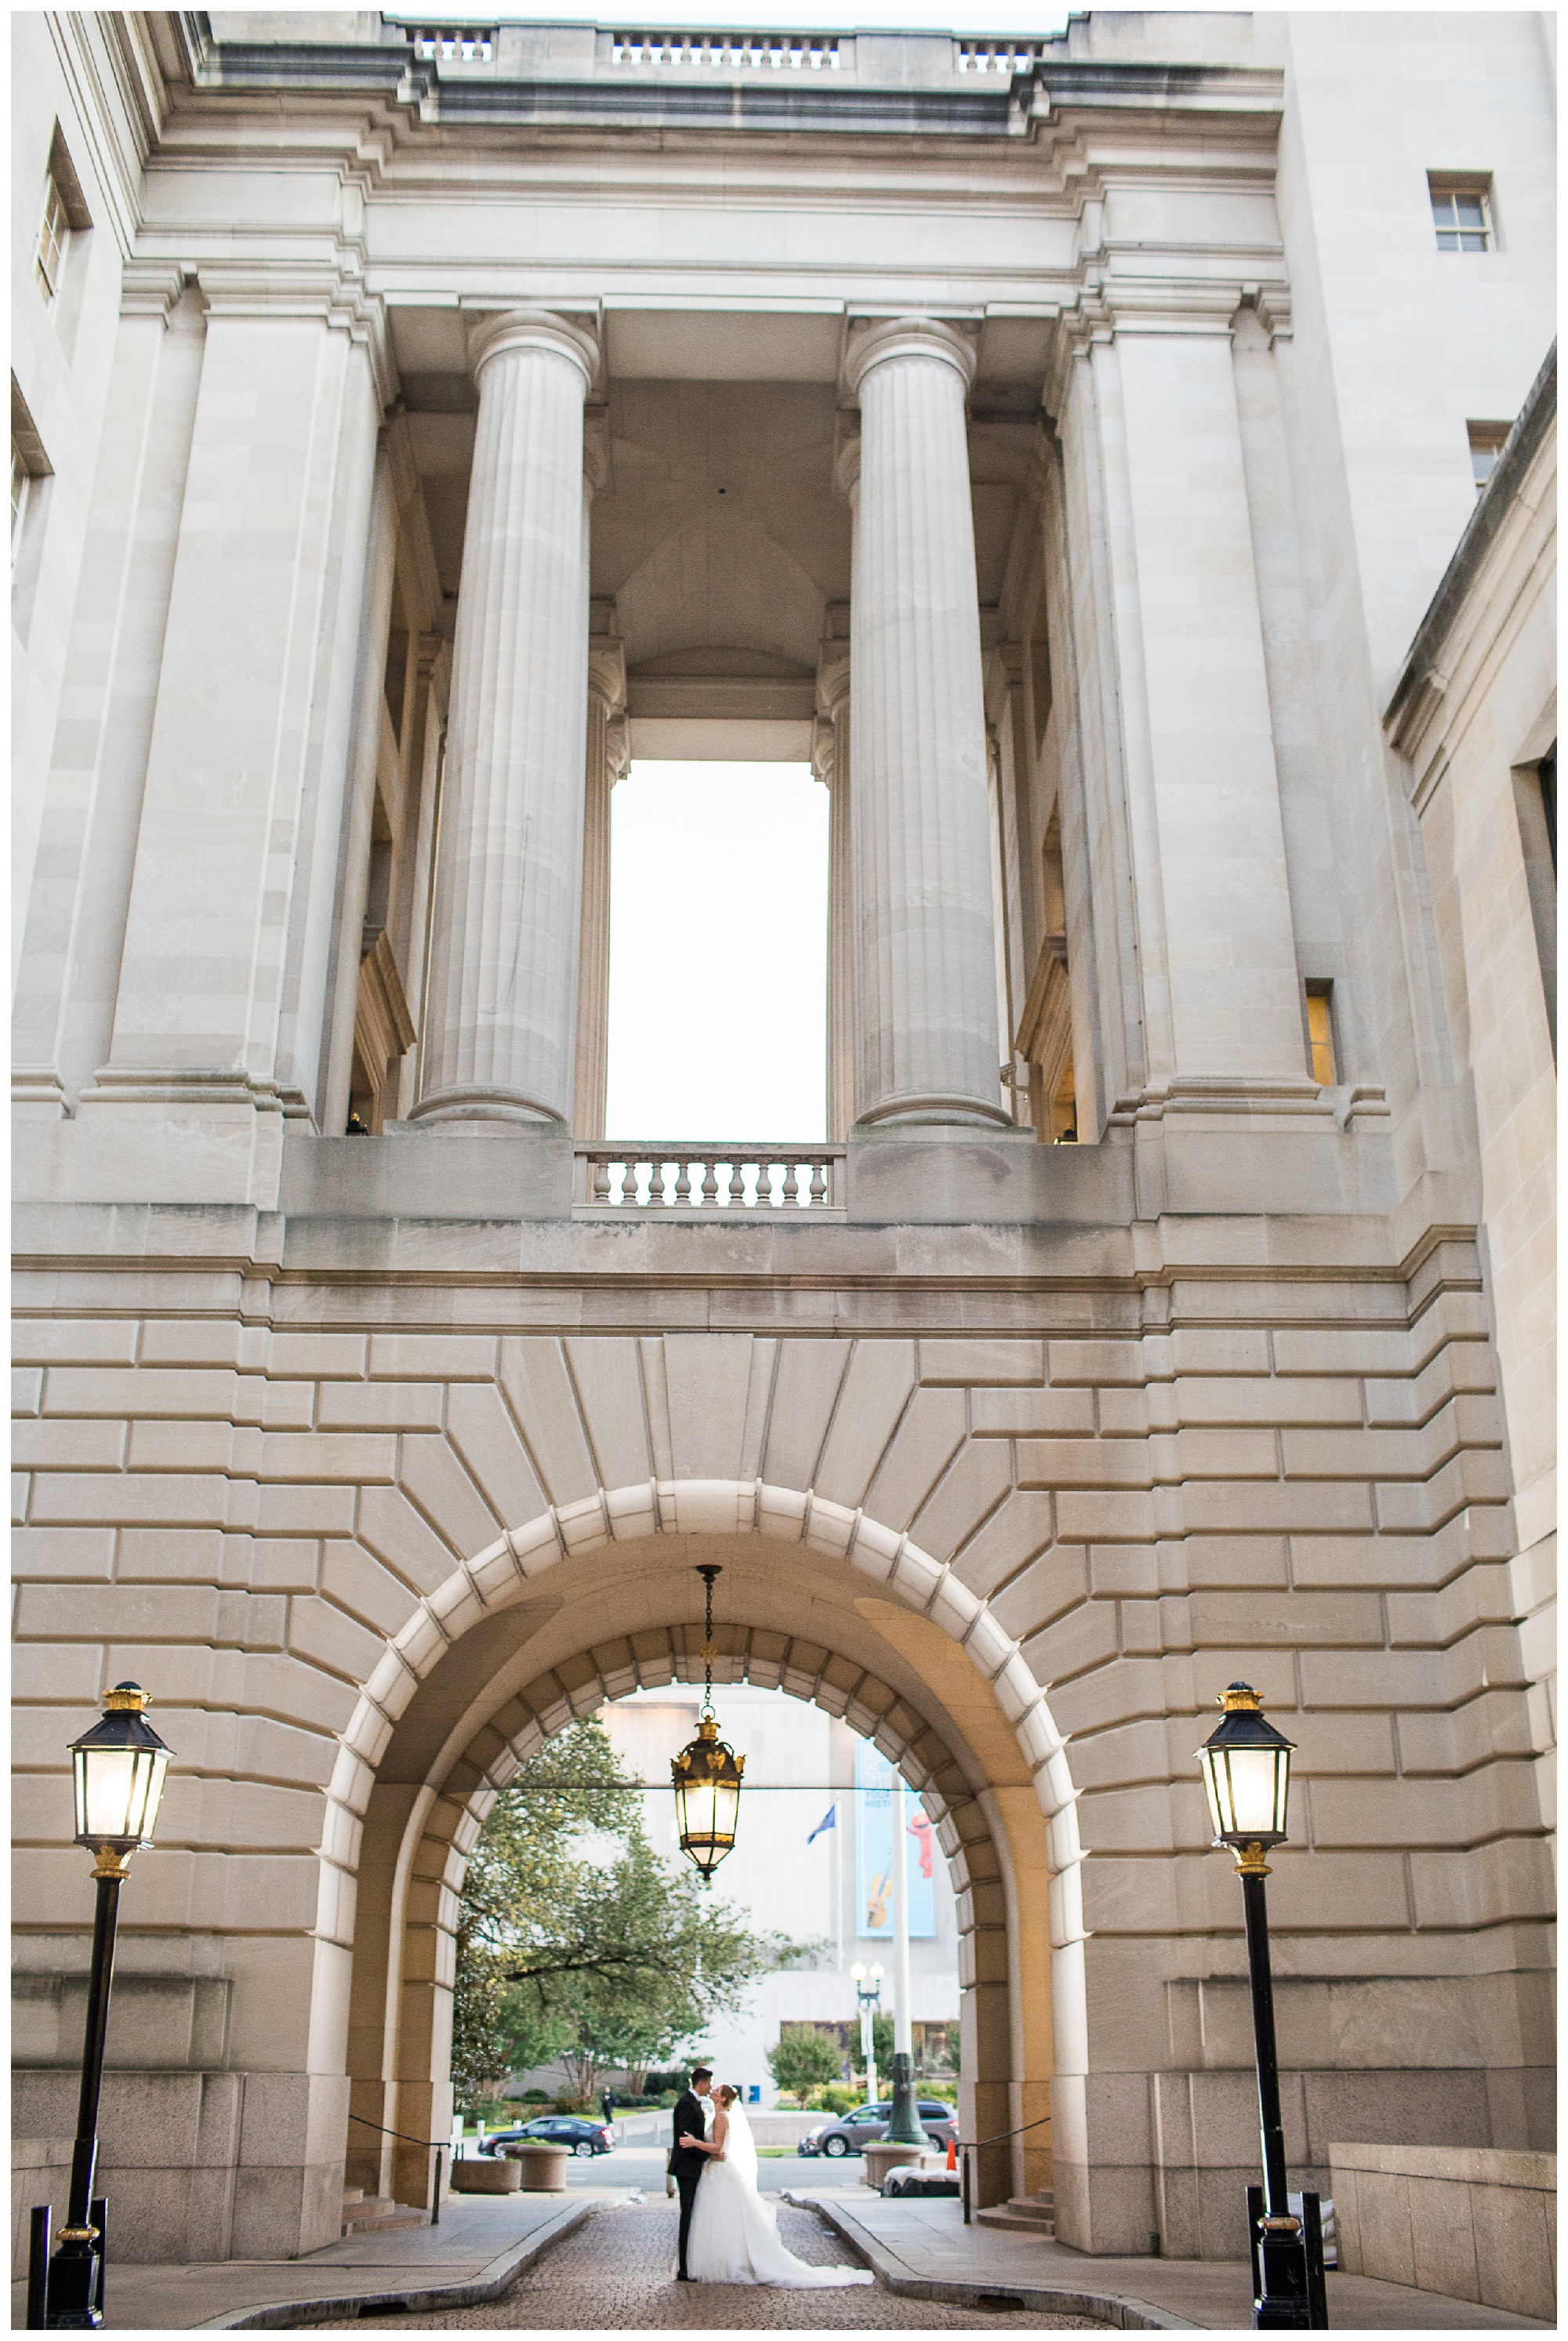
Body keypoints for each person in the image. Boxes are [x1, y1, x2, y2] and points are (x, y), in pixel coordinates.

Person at [684, 2084, 873, 2288]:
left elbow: (718, 2147)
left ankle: (731, 2262)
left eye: (717, 2091)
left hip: (721, 2173)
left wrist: (695, 2142)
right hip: (716, 2171)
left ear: (723, 2099)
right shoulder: (717, 2115)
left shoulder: (722, 2117)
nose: (712, 2091)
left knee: (725, 2219)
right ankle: (723, 2260)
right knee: (720, 2219)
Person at [669, 2065, 719, 2281]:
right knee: (687, 2214)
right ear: (702, 2083)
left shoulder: (693, 2103)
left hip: (691, 2165)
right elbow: (685, 2141)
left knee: (691, 2214)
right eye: (709, 2083)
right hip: (687, 2167)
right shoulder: (686, 2104)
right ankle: (684, 2267)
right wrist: (707, 2156)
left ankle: (689, 2264)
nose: (710, 2087)